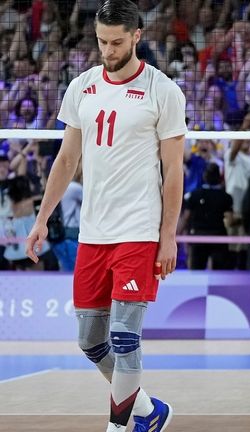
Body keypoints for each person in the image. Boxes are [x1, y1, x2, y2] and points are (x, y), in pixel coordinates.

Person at [25, 1, 186, 430]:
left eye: (116, 42)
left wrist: (167, 235)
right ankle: (150, 411)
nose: (108, 50)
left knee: (125, 336)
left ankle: (118, 427)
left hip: (139, 229)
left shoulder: (162, 90)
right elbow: (66, 160)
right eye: (102, 41)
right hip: (94, 232)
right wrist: (41, 219)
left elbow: (174, 171)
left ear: (136, 36)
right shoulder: (81, 86)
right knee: (90, 340)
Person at [179, 163, 234, 270]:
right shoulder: (225, 197)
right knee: (218, 273)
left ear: (204, 176)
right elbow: (230, 220)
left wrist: (176, 234)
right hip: (218, 238)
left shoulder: (194, 195)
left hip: (198, 238)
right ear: (219, 177)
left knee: (196, 272)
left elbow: (186, 217)